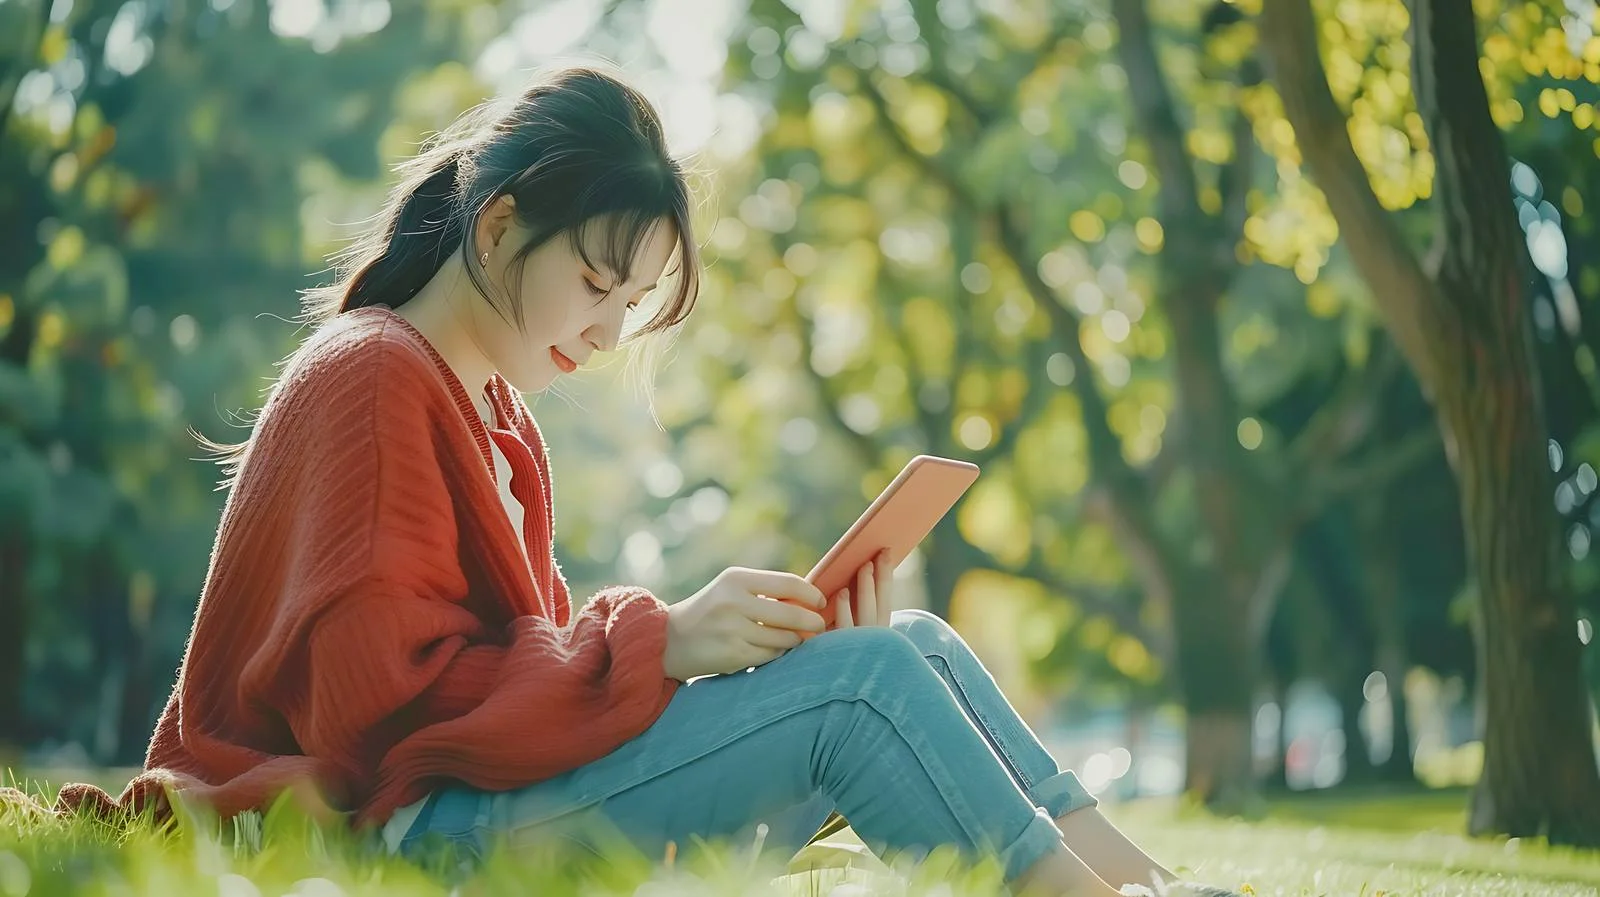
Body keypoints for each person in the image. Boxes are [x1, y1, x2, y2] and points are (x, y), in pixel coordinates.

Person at [88, 66, 1236, 897]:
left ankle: (1155, 888)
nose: (606, 332)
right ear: (498, 229)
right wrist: (663, 642)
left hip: (479, 805)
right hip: (416, 837)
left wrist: (726, 658)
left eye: (630, 305)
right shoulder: (376, 375)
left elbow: (515, 678)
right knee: (866, 682)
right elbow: (384, 715)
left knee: (911, 647)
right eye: (597, 285)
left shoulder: (495, 415)